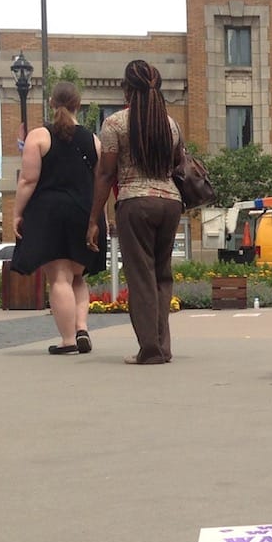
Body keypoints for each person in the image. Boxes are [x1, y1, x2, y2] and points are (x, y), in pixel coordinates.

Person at [87, 59, 184, 365]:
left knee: (141, 276)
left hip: (134, 203)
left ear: (126, 89)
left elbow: (105, 174)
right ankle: (163, 346)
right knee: (161, 275)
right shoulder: (170, 124)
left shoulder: (115, 124)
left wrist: (94, 218)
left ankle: (150, 349)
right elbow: (178, 164)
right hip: (171, 203)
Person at [10, 81, 103, 355]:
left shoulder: (39, 136)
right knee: (78, 276)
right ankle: (82, 327)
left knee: (59, 278)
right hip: (83, 212)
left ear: (52, 103)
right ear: (78, 104)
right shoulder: (93, 140)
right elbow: (100, 183)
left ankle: (68, 339)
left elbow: (28, 180)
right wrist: (100, 219)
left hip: (49, 213)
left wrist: (17, 213)